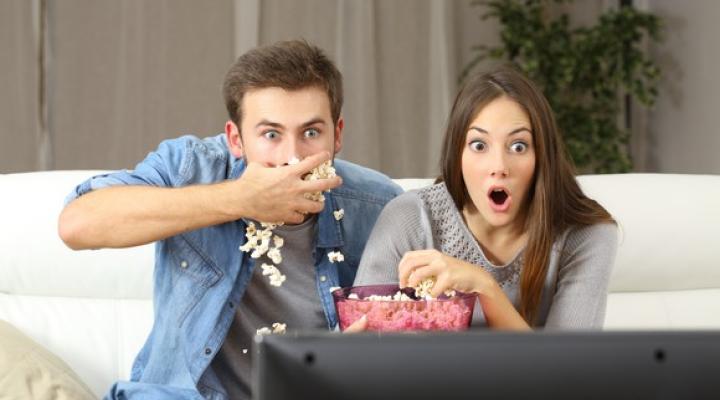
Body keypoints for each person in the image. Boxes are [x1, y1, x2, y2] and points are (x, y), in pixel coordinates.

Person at [58, 40, 402, 399]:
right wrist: (239, 198)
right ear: (236, 139)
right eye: (271, 134)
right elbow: (77, 224)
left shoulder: (379, 206)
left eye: (311, 133)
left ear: (338, 135)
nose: (292, 157)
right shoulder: (190, 168)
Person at [354, 66, 618, 329]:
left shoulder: (586, 233)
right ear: (457, 155)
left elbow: (568, 368)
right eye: (479, 145)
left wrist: (485, 288)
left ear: (541, 156)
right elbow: (362, 350)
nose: (499, 166)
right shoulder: (409, 219)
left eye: (518, 146)